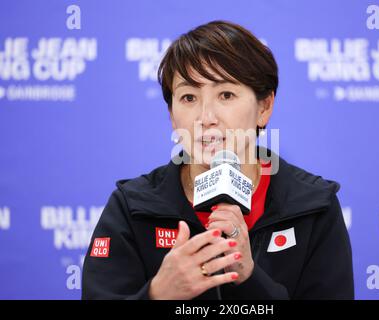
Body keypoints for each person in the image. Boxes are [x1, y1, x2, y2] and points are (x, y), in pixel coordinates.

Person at [82, 20, 354, 300]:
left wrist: (250, 278)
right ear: (172, 115)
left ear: (264, 107)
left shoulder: (313, 207)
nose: (206, 118)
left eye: (226, 94)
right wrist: (156, 295)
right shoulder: (131, 208)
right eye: (189, 97)